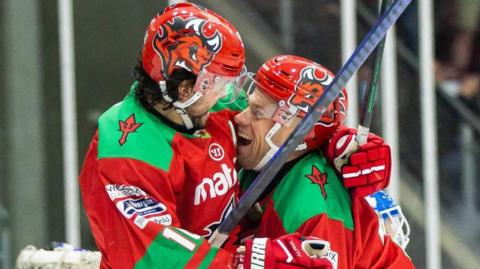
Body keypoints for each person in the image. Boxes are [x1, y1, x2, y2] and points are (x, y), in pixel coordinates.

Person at [79, 3, 334, 268]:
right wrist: (244, 262)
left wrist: (340, 145)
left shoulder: (210, 109)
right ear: (186, 89)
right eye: (221, 83)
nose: (228, 96)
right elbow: (155, 256)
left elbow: (285, 130)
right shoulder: (128, 151)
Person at [235, 55, 415, 269]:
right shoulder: (267, 157)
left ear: (301, 130)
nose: (240, 118)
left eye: (257, 112)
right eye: (249, 105)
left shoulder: (313, 210)